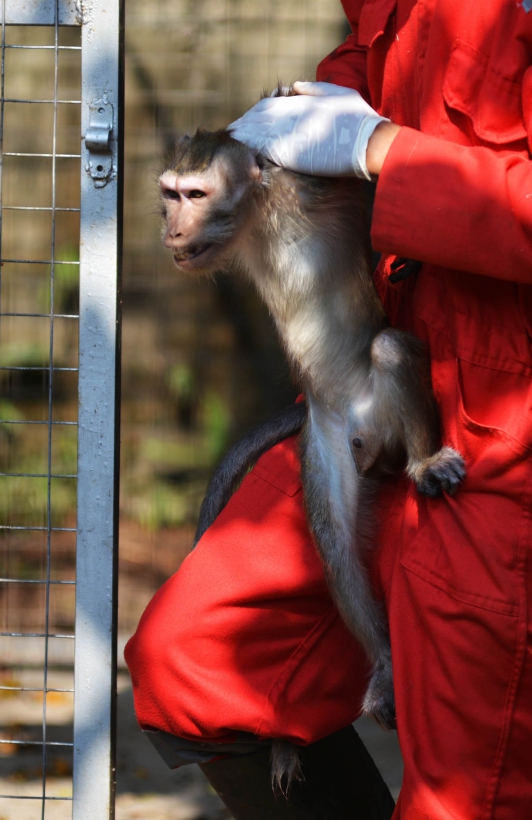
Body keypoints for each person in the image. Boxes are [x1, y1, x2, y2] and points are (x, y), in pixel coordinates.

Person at [125, 1, 532, 817]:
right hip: (379, 357)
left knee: (462, 793)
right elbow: (380, 57)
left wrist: (380, 151)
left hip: (500, 433)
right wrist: (305, 112)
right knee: (195, 661)